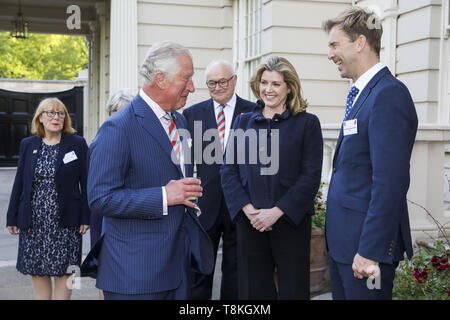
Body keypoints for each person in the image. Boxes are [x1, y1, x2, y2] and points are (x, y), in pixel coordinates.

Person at [86, 41, 214, 300]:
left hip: (179, 269)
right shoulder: (117, 128)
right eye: (186, 79)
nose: (192, 87)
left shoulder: (180, 120)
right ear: (160, 79)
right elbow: (100, 198)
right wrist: (165, 196)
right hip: (135, 275)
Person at [323, 7, 418, 300]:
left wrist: (369, 252)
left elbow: (389, 183)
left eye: (335, 44)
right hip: (345, 248)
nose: (330, 54)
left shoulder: (388, 95)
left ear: (360, 43)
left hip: (365, 255)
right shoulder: (362, 94)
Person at [220, 56, 323, 299]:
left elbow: (310, 176)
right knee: (253, 292)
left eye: (276, 84)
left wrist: (276, 211)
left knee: (293, 291)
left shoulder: (307, 124)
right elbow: (228, 170)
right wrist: (248, 209)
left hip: (290, 223)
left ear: (289, 87)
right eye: (264, 82)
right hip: (250, 222)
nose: (268, 89)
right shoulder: (242, 122)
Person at [183, 60, 256, 300]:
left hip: (242, 204)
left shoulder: (254, 111)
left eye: (222, 81)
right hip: (206, 203)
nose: (217, 87)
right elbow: (183, 159)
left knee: (236, 273)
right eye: (211, 83)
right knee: (200, 272)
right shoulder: (192, 114)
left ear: (234, 80)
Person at [6, 97, 90, 300]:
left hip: (66, 223)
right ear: (40, 118)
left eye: (60, 113)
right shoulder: (28, 144)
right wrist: (12, 217)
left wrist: (86, 217)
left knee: (67, 273)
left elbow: (87, 183)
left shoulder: (77, 144)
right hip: (34, 223)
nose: (56, 117)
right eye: (50, 112)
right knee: (39, 273)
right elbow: (20, 182)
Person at [88, 89, 134, 301]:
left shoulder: (138, 138)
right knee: (106, 270)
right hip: (104, 215)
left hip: (131, 214)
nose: (123, 116)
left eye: (128, 111)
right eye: (118, 111)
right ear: (110, 113)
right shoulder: (103, 138)